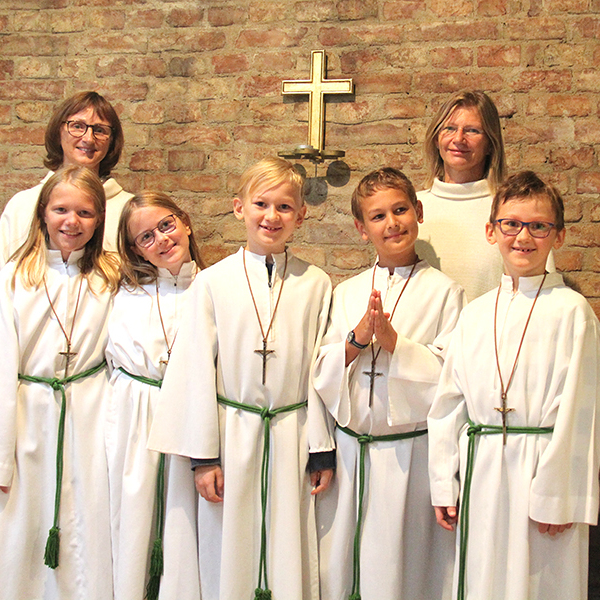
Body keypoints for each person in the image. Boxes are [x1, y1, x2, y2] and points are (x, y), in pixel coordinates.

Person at [147, 157, 334, 600]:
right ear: (238, 208)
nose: (272, 216)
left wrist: (322, 449)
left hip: (293, 434)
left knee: (289, 545)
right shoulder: (211, 283)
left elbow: (321, 372)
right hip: (230, 437)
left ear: (301, 215)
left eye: (285, 207)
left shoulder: (317, 283)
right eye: (261, 204)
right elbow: (193, 370)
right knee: (226, 547)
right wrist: (202, 457)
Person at [428, 171, 600, 600]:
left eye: (538, 226)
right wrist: (443, 482)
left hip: (542, 475)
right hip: (480, 469)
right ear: (492, 231)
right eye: (511, 224)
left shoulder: (572, 312)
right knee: (482, 579)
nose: (523, 236)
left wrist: (561, 495)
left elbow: (583, 411)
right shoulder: (474, 312)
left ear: (557, 236)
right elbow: (448, 405)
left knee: (542, 582)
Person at [313, 167, 466, 600]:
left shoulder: (446, 293)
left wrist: (396, 344)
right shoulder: (347, 292)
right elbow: (320, 370)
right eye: (378, 216)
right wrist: (357, 339)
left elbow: (451, 379)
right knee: (341, 568)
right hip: (350, 455)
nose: (392, 223)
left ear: (418, 212)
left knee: (404, 572)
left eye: (400, 210)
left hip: (409, 456)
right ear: (362, 229)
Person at [0, 166, 120, 600]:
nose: (72, 222)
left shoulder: (112, 276)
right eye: (61, 210)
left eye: (85, 213)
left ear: (100, 219)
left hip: (90, 410)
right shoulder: (14, 275)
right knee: (22, 522)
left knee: (86, 519)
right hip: (27, 413)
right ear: (42, 214)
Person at [105, 192, 203, 600]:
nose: (161, 240)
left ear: (185, 222)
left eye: (166, 225)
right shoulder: (123, 295)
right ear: (133, 250)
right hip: (134, 428)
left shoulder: (212, 287)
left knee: (186, 532)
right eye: (146, 237)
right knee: (133, 524)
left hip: (190, 427)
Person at [0, 91, 132, 266]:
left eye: (100, 130)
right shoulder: (23, 205)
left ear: (111, 141)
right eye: (77, 126)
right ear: (58, 132)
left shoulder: (129, 210)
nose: (88, 139)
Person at [416, 90, 507, 301]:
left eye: (472, 130)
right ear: (436, 139)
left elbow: (536, 292)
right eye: (449, 128)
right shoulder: (408, 209)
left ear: (490, 144)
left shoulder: (511, 210)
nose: (458, 139)